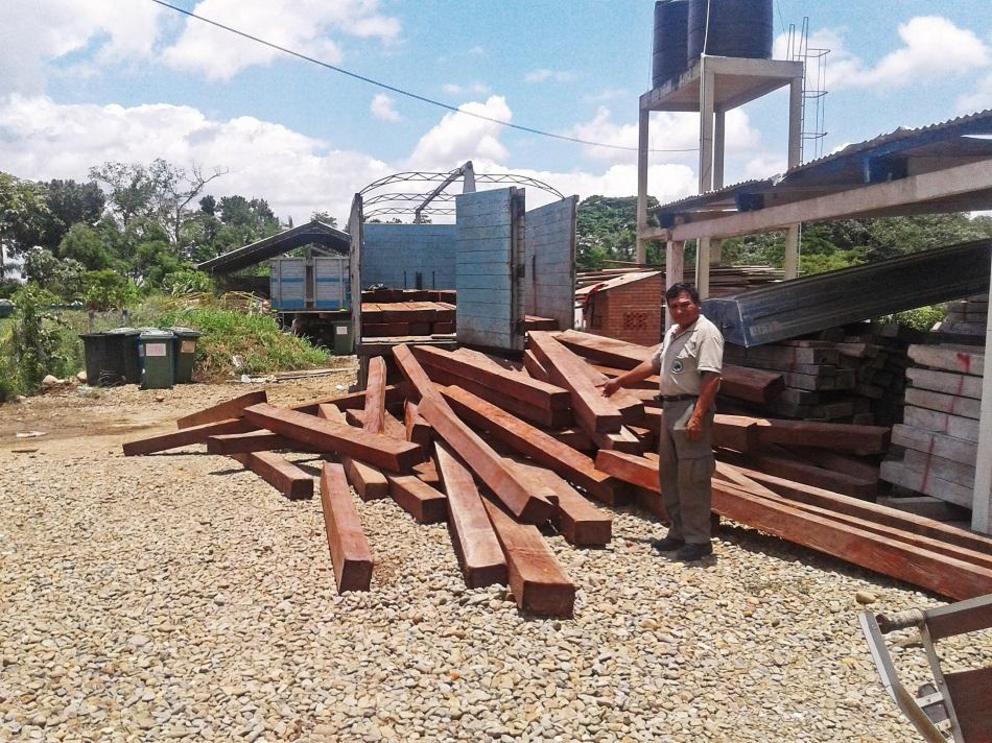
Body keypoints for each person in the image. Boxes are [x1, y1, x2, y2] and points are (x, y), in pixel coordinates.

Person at [601, 282, 724, 562]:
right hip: (670, 408)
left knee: (692, 476)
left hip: (691, 407)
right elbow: (654, 364)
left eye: (685, 304)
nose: (679, 310)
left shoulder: (706, 333)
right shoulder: (674, 332)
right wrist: (619, 381)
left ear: (697, 304)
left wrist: (697, 417)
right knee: (670, 475)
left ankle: (698, 540)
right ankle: (678, 532)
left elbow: (712, 378)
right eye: (674, 306)